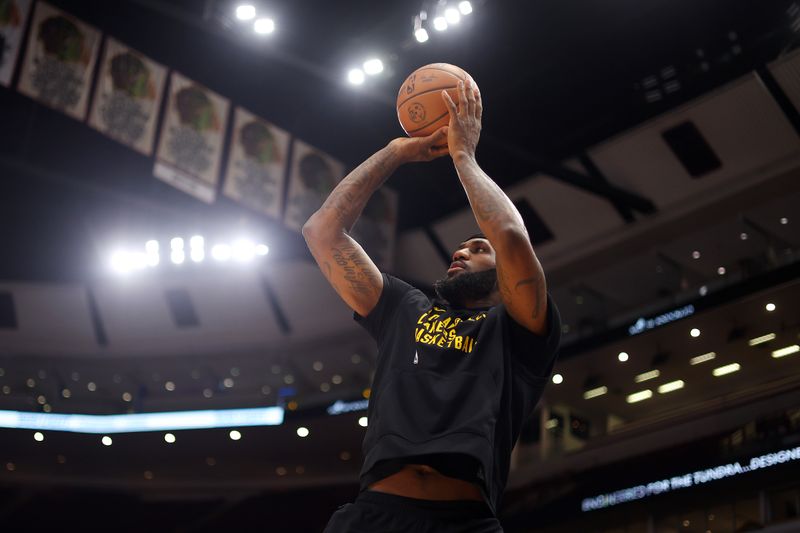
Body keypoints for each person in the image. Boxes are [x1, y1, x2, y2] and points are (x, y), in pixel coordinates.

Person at [303, 78, 561, 533]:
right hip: (372, 517)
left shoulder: (519, 329)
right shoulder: (405, 307)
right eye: (459, 248)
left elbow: (512, 236)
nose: (460, 252)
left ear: (505, 271)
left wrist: (464, 156)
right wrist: (396, 152)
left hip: (464, 522)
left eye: (478, 247)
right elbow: (322, 231)